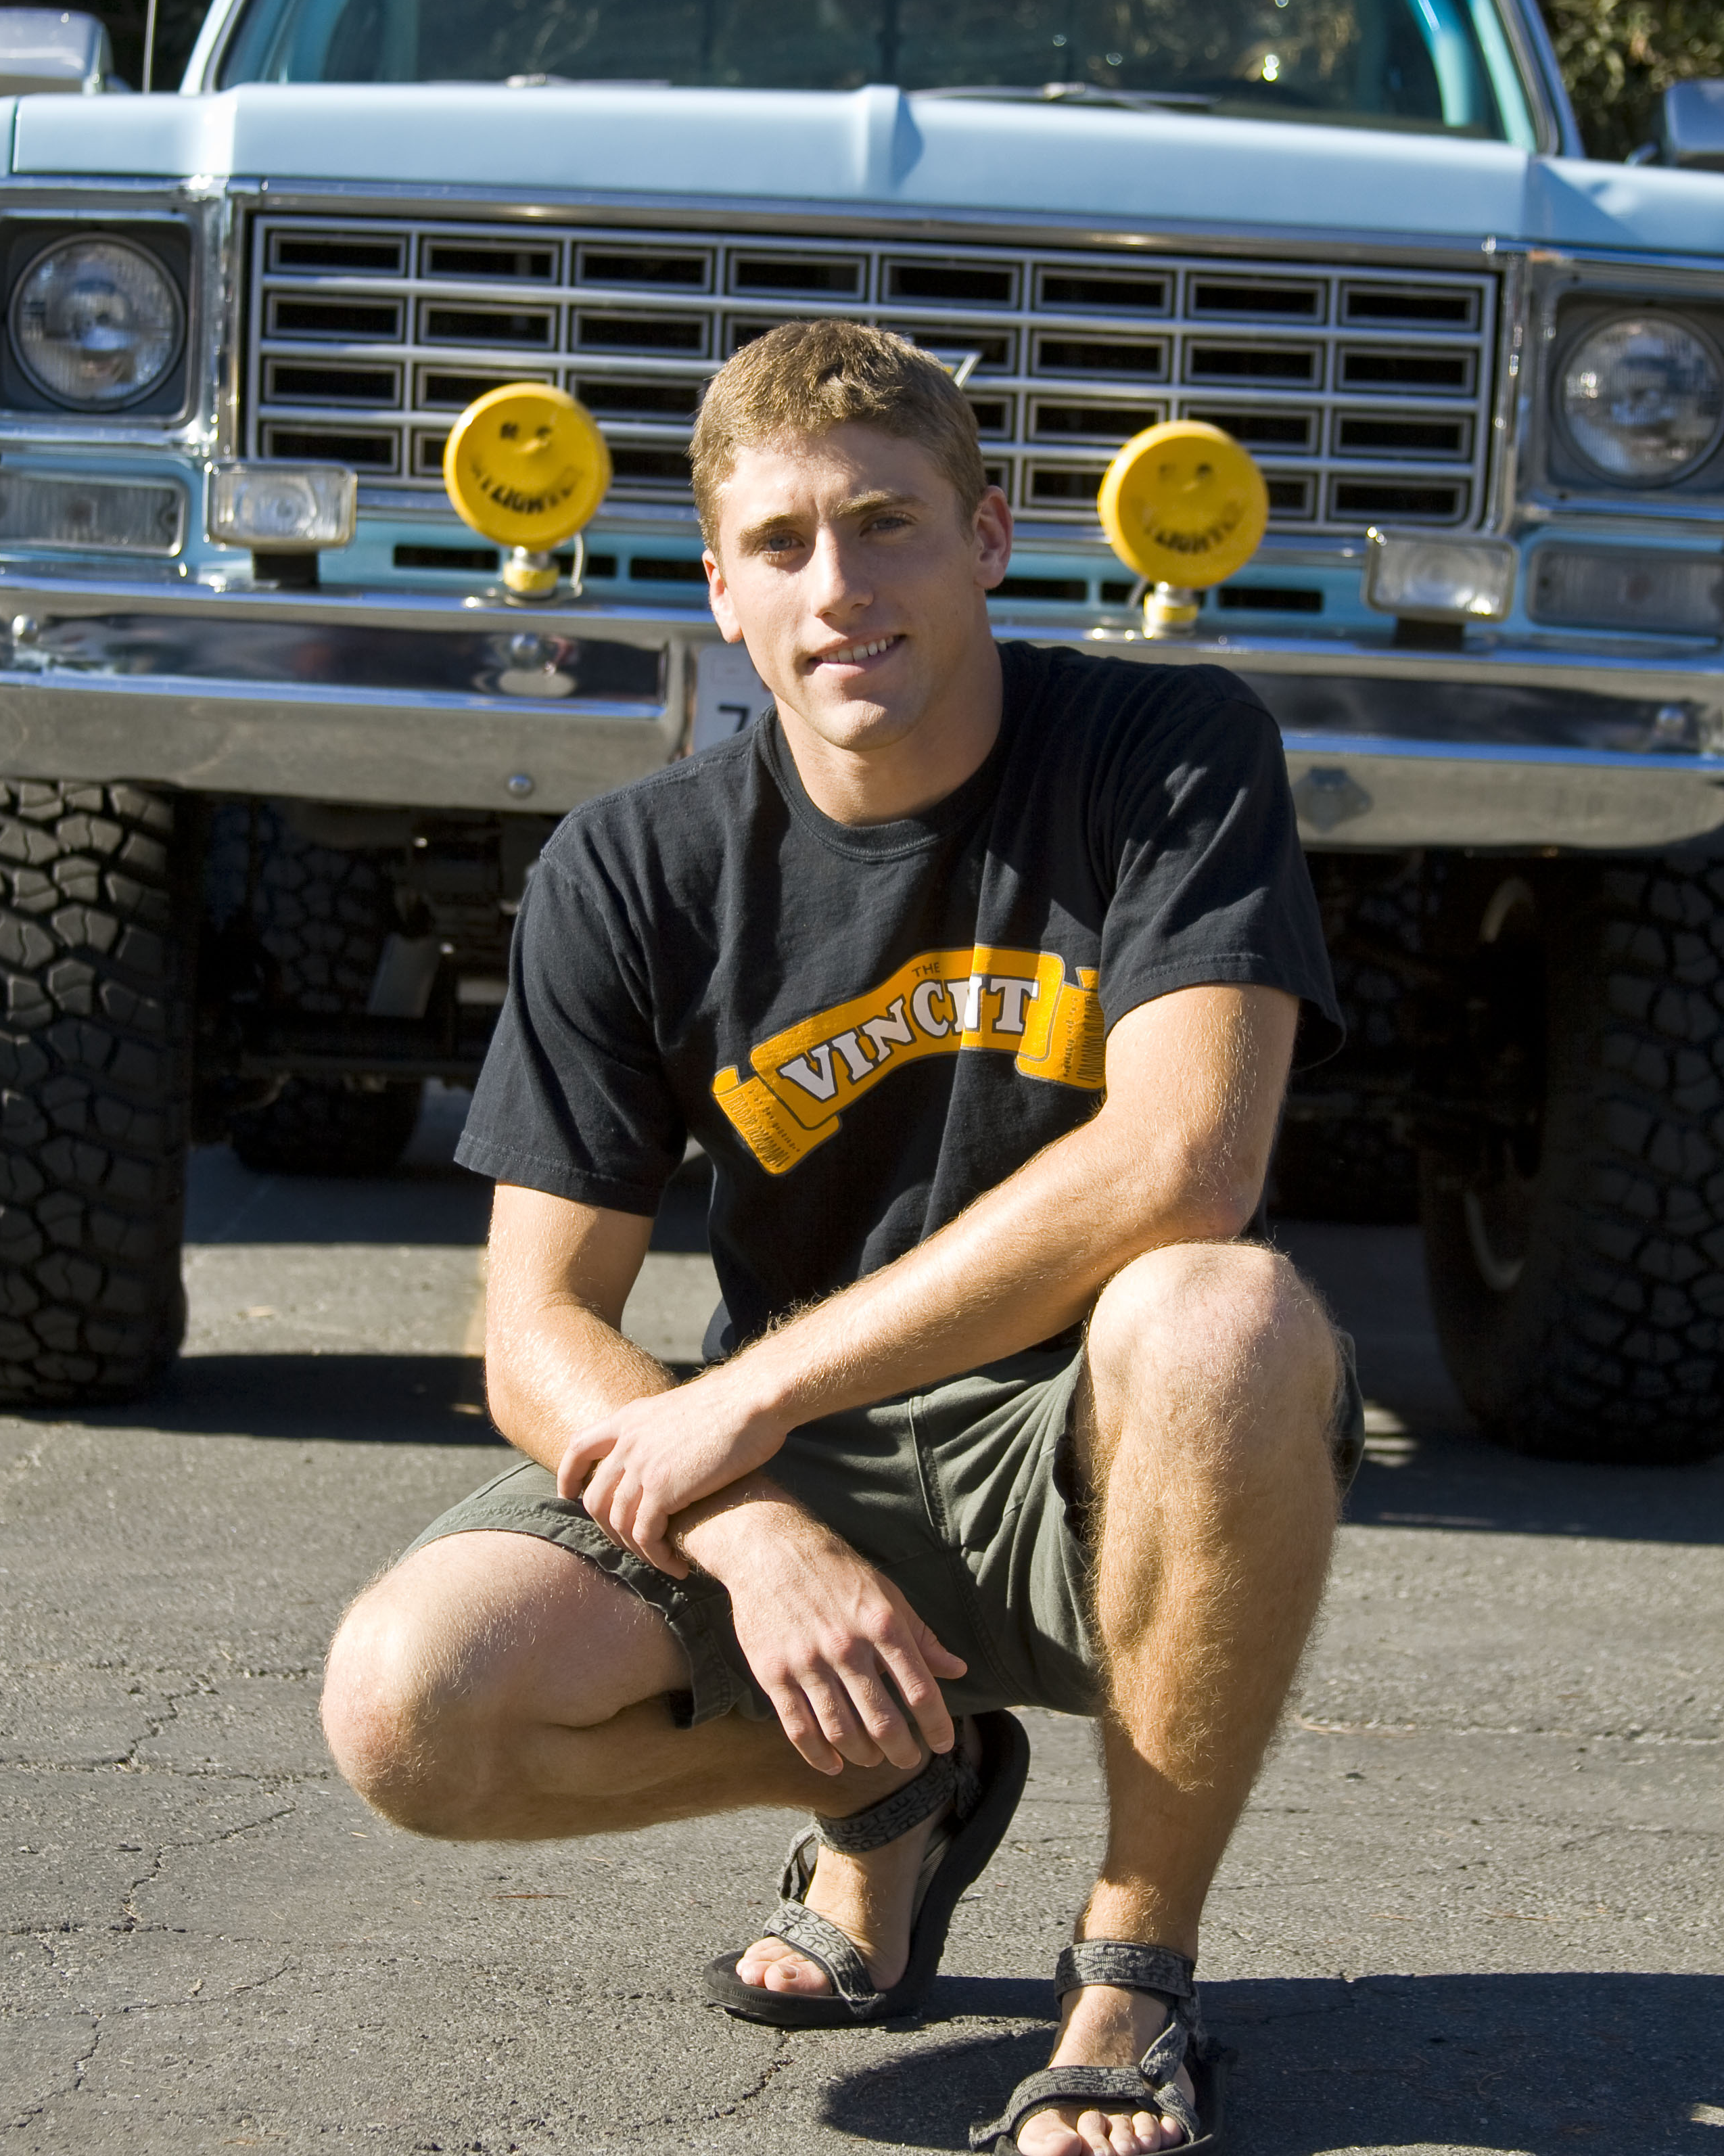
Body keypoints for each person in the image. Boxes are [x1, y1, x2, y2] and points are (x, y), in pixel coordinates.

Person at [321, 320, 1359, 2156]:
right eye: (784, 545)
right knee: (414, 1708)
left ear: (991, 535)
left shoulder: (1162, 750)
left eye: (886, 526)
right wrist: (748, 1517)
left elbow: (1187, 1161)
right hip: (808, 1468)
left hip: (1090, 1443)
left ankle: (1134, 1967)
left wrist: (749, 1398)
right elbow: (536, 1329)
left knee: (1227, 1315)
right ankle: (897, 1787)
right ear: (718, 589)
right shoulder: (633, 870)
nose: (840, 588)